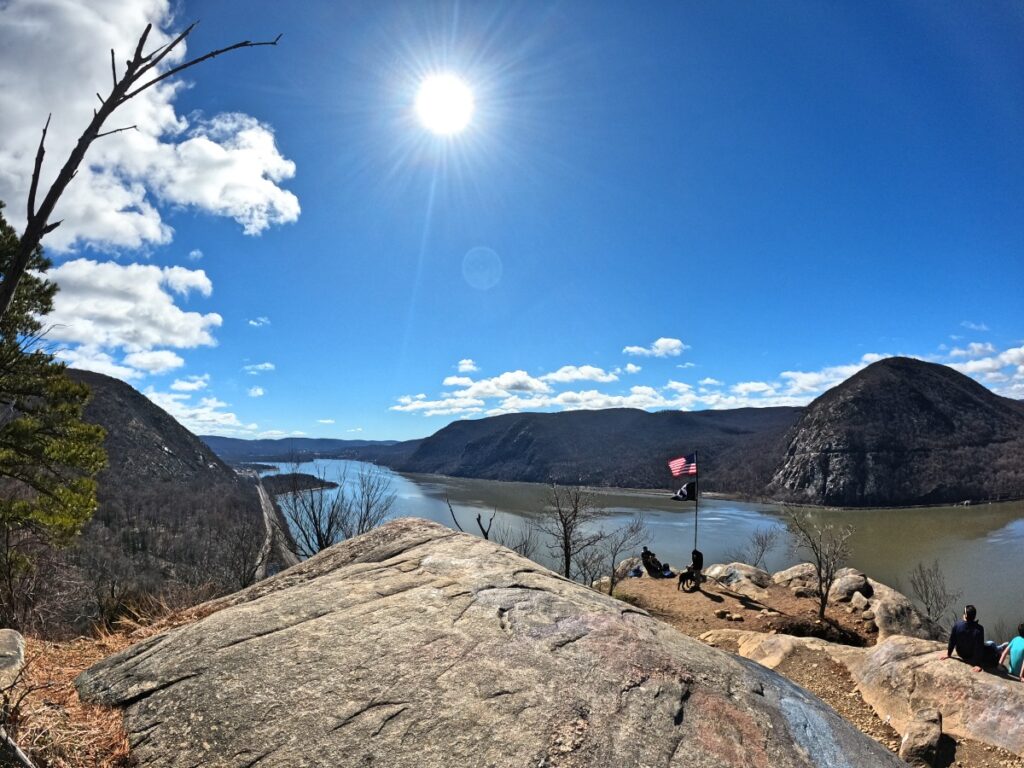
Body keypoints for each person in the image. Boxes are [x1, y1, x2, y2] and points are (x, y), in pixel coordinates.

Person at [939, 604, 988, 672]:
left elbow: (952, 641)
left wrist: (948, 654)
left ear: (965, 615)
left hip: (961, 653)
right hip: (971, 655)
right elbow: (979, 647)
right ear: (974, 616)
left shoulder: (957, 625)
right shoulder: (979, 629)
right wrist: (978, 664)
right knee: (990, 645)